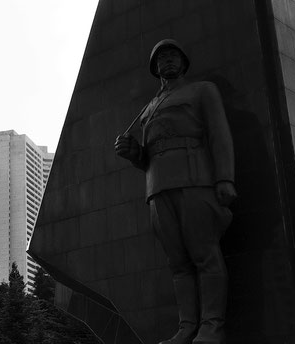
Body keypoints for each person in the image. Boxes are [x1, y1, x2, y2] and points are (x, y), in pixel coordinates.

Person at [114, 39, 236, 344]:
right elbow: (147, 157)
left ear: (183, 63)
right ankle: (186, 327)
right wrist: (133, 153)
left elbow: (219, 134)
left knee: (204, 254)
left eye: (172, 56)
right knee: (178, 263)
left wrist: (225, 178)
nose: (167, 62)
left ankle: (212, 326)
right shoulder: (148, 108)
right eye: (161, 59)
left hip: (195, 179)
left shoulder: (202, 90)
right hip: (157, 188)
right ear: (155, 69)